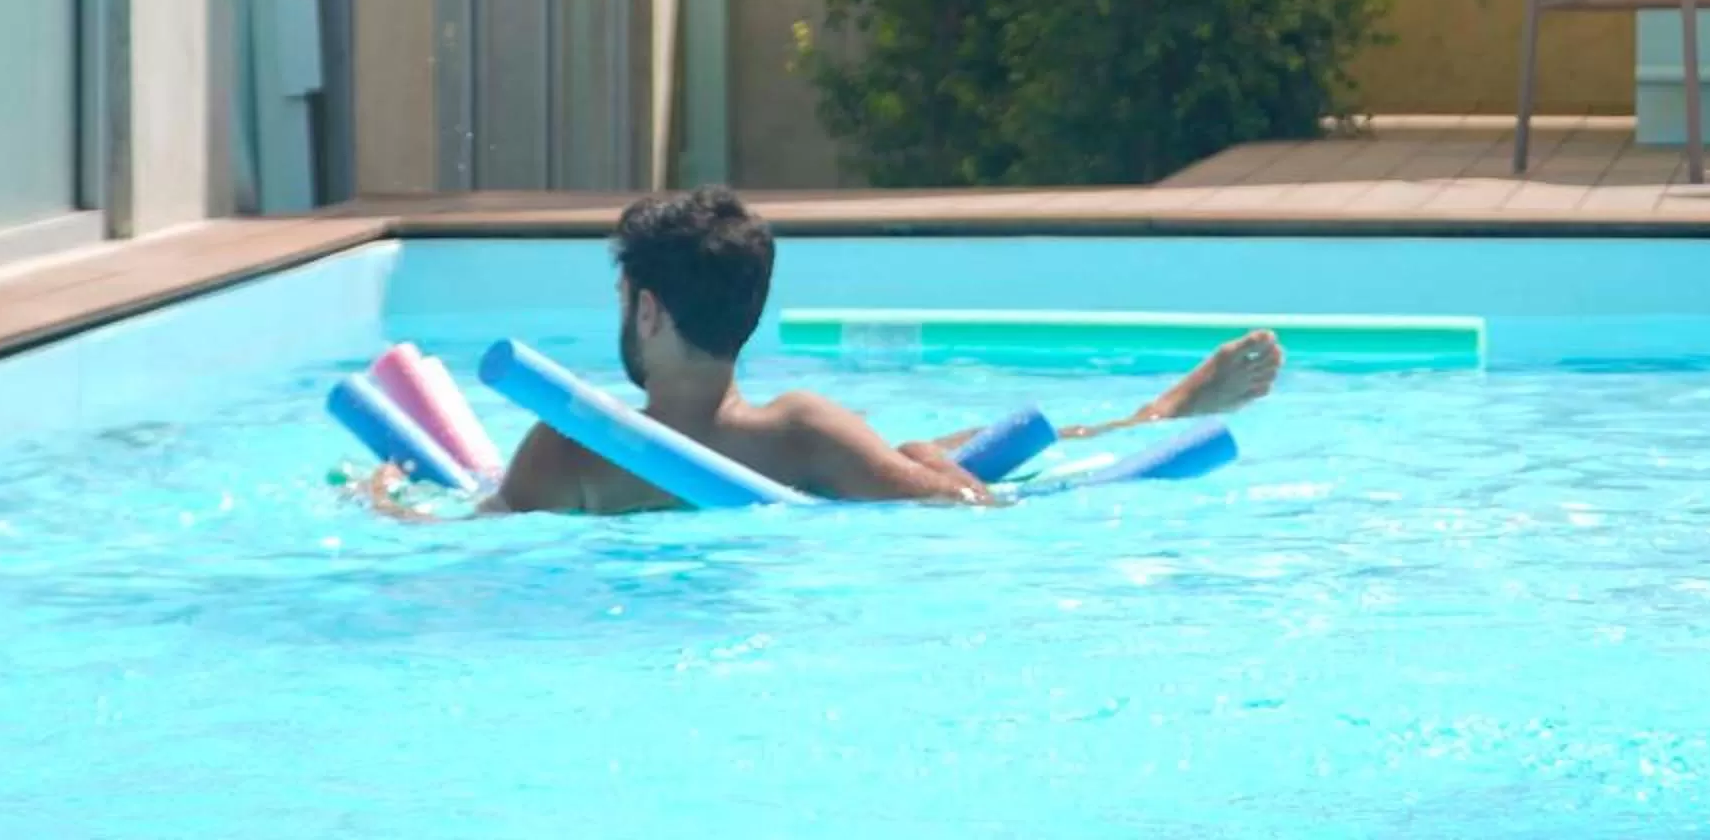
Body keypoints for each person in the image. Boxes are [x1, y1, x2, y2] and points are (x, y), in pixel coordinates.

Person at [487, 189, 1282, 513]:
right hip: (835, 480)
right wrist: (916, 463)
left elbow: (466, 533)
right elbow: (974, 508)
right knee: (931, 449)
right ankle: (1153, 416)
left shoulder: (571, 448)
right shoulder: (802, 432)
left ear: (649, 311)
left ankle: (1158, 412)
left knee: (909, 447)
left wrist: (377, 495)